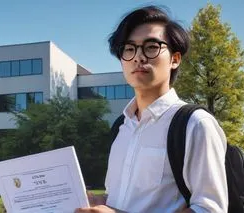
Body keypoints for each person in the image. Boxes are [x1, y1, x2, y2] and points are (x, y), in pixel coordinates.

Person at [75, 5, 228, 213]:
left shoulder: (195, 123)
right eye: (129, 49)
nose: (138, 57)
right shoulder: (121, 127)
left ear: (175, 59)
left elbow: (210, 210)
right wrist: (96, 202)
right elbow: (121, 198)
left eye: (151, 47)